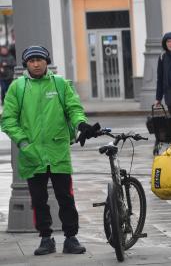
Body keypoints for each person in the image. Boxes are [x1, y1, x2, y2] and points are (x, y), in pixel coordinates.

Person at [1, 45, 100, 256]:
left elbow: (73, 109)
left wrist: (81, 124)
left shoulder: (60, 84)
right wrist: (23, 143)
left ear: (47, 61)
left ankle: (71, 238)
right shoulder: (17, 87)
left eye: (39, 59)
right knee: (38, 200)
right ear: (26, 64)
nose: (36, 64)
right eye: (31, 60)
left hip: (58, 151)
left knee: (66, 197)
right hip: (31, 154)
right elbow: (8, 120)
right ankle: (46, 238)